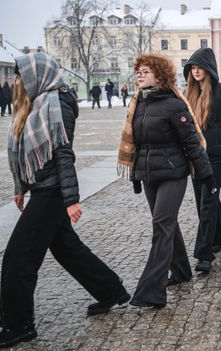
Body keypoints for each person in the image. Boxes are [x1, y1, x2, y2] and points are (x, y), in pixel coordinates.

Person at [0, 53, 130, 349]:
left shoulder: (57, 103)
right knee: (67, 248)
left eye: (22, 75)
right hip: (42, 189)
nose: (18, 81)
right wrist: (21, 186)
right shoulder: (36, 102)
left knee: (19, 258)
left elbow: (62, 153)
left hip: (52, 193)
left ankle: (19, 325)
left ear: (38, 75)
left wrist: (71, 200)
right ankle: (111, 290)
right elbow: (28, 152)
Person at [118, 53, 213, 309]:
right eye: (138, 71)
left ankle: (151, 291)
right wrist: (136, 175)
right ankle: (181, 270)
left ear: (159, 76)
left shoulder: (174, 105)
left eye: (145, 71)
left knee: (161, 225)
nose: (140, 75)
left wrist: (206, 174)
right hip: (149, 176)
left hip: (173, 173)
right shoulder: (138, 103)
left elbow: (191, 142)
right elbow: (138, 145)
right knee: (166, 223)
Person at [183, 48, 221, 273]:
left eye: (200, 67)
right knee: (204, 200)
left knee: (207, 202)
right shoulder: (188, 94)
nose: (196, 71)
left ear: (209, 69)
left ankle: (204, 254)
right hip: (196, 157)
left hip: (215, 157)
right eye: (193, 68)